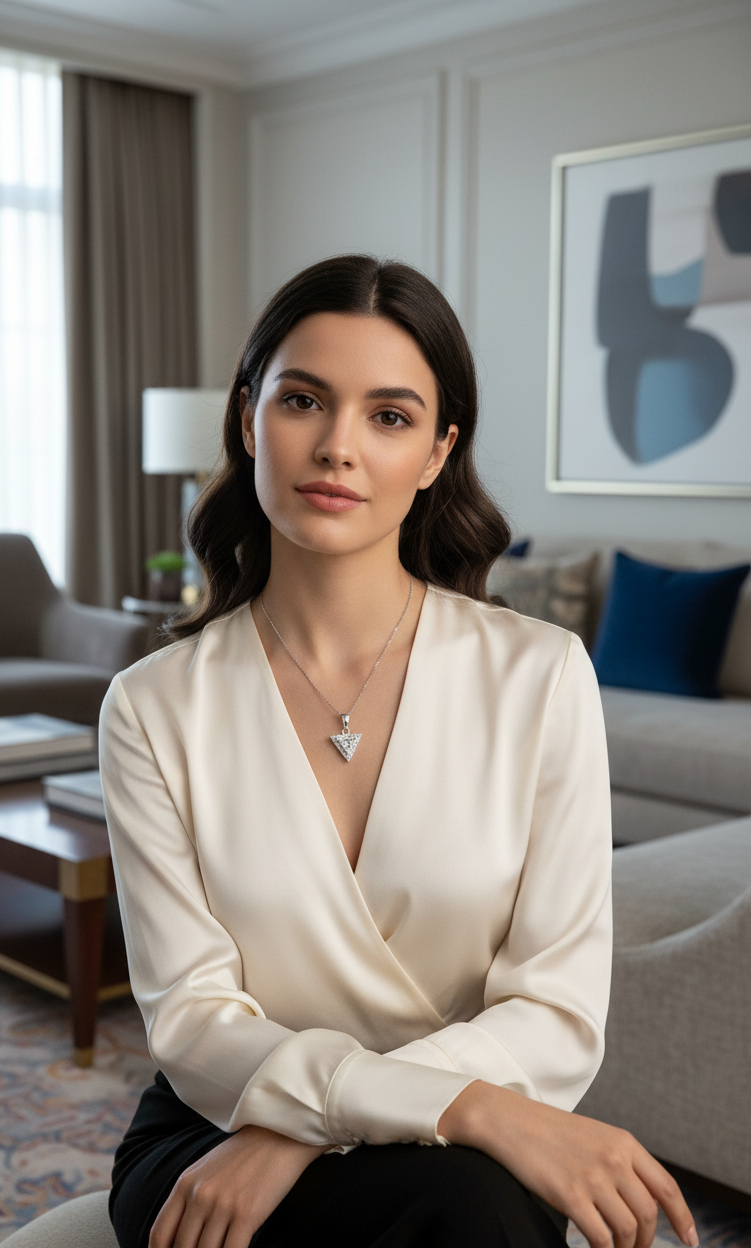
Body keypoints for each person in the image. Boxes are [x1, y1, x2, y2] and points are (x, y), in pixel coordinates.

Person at [99, 255, 698, 1248]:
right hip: (220, 1126)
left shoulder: (539, 677)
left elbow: (554, 1005)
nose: (337, 447)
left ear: (435, 452)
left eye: (388, 416)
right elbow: (195, 1023)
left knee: (471, 1204)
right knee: (471, 1205)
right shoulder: (152, 706)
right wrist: (464, 1108)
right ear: (248, 416)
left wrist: (307, 1129)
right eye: (302, 400)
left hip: (366, 1137)